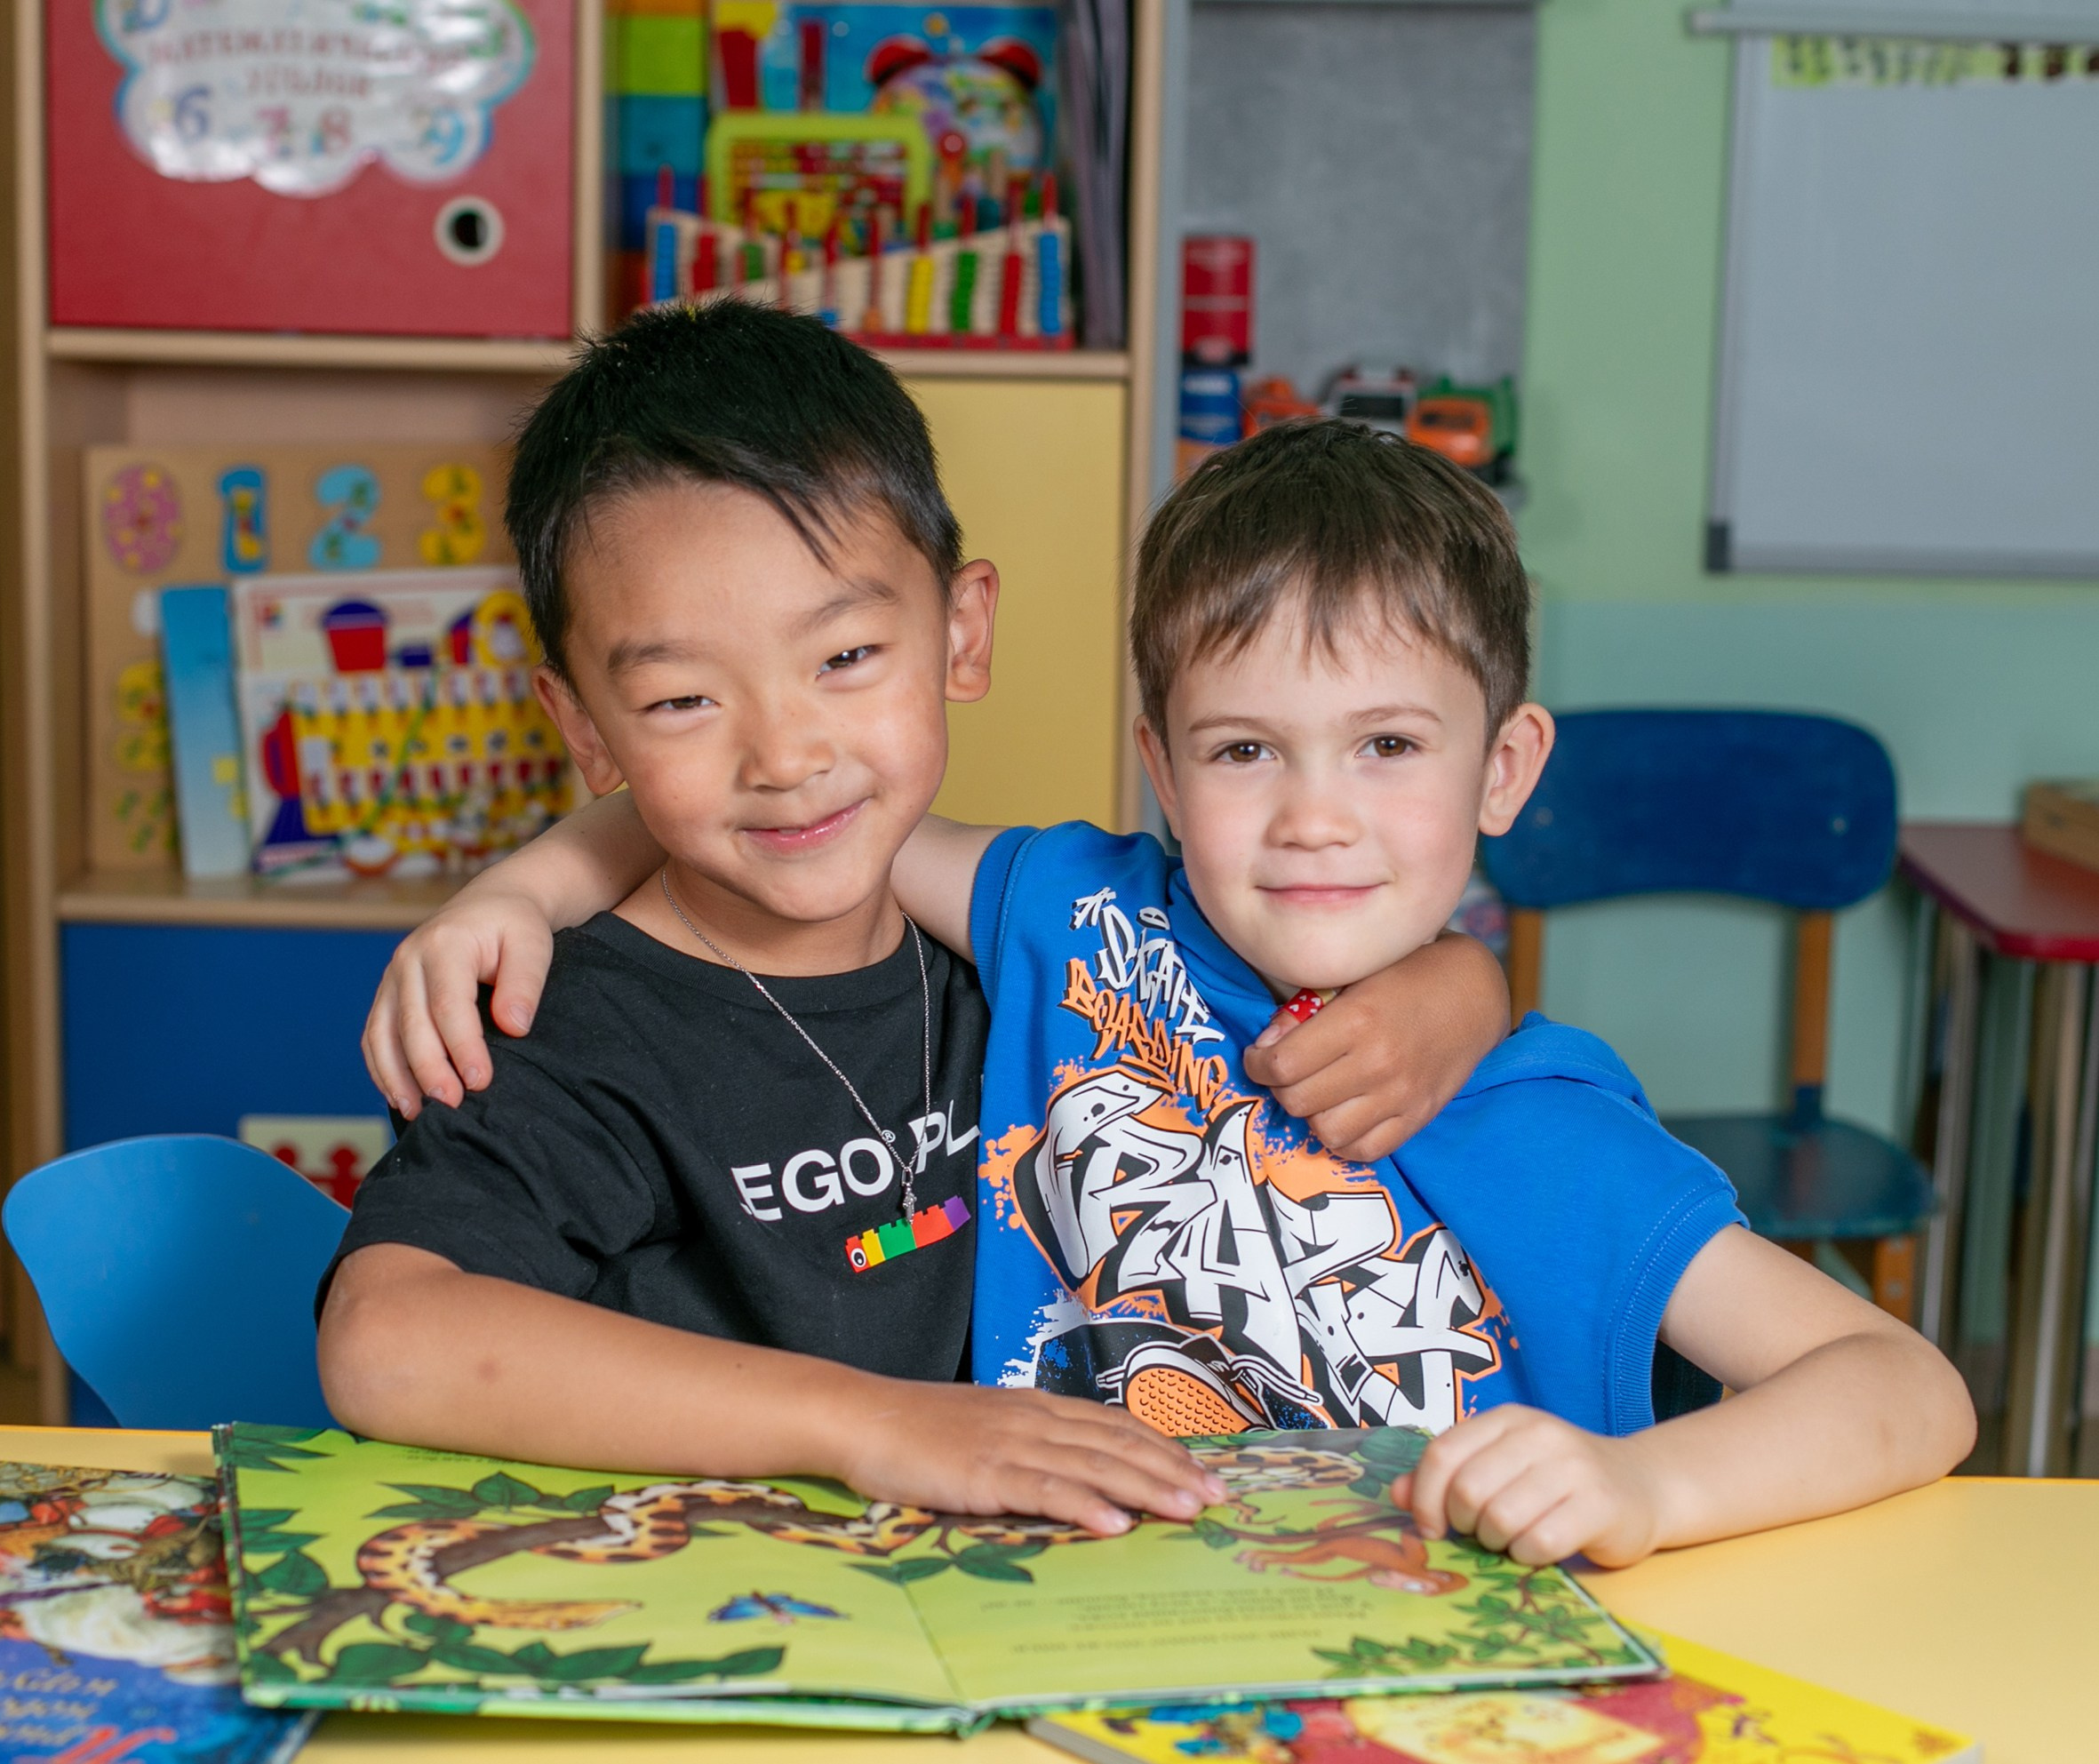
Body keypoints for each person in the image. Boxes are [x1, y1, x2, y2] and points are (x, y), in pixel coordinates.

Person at [374, 410, 1974, 1569]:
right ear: (1159, 764)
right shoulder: (1077, 918)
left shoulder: (1538, 1127)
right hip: (1039, 1640)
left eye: (1387, 745)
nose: (1314, 816)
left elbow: (1902, 1385)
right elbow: (788, 801)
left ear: (1504, 769)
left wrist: (1648, 1492)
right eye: (1243, 749)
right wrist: (526, 886)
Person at [316, 303, 1511, 1541]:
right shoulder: (574, 1029)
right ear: (583, 726)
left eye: (842, 659)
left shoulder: (1024, 952)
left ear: (961, 633)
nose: (785, 756)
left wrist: (1456, 984)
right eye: (680, 700)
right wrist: (872, 1424)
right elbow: (385, 1340)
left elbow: (1277, 954)